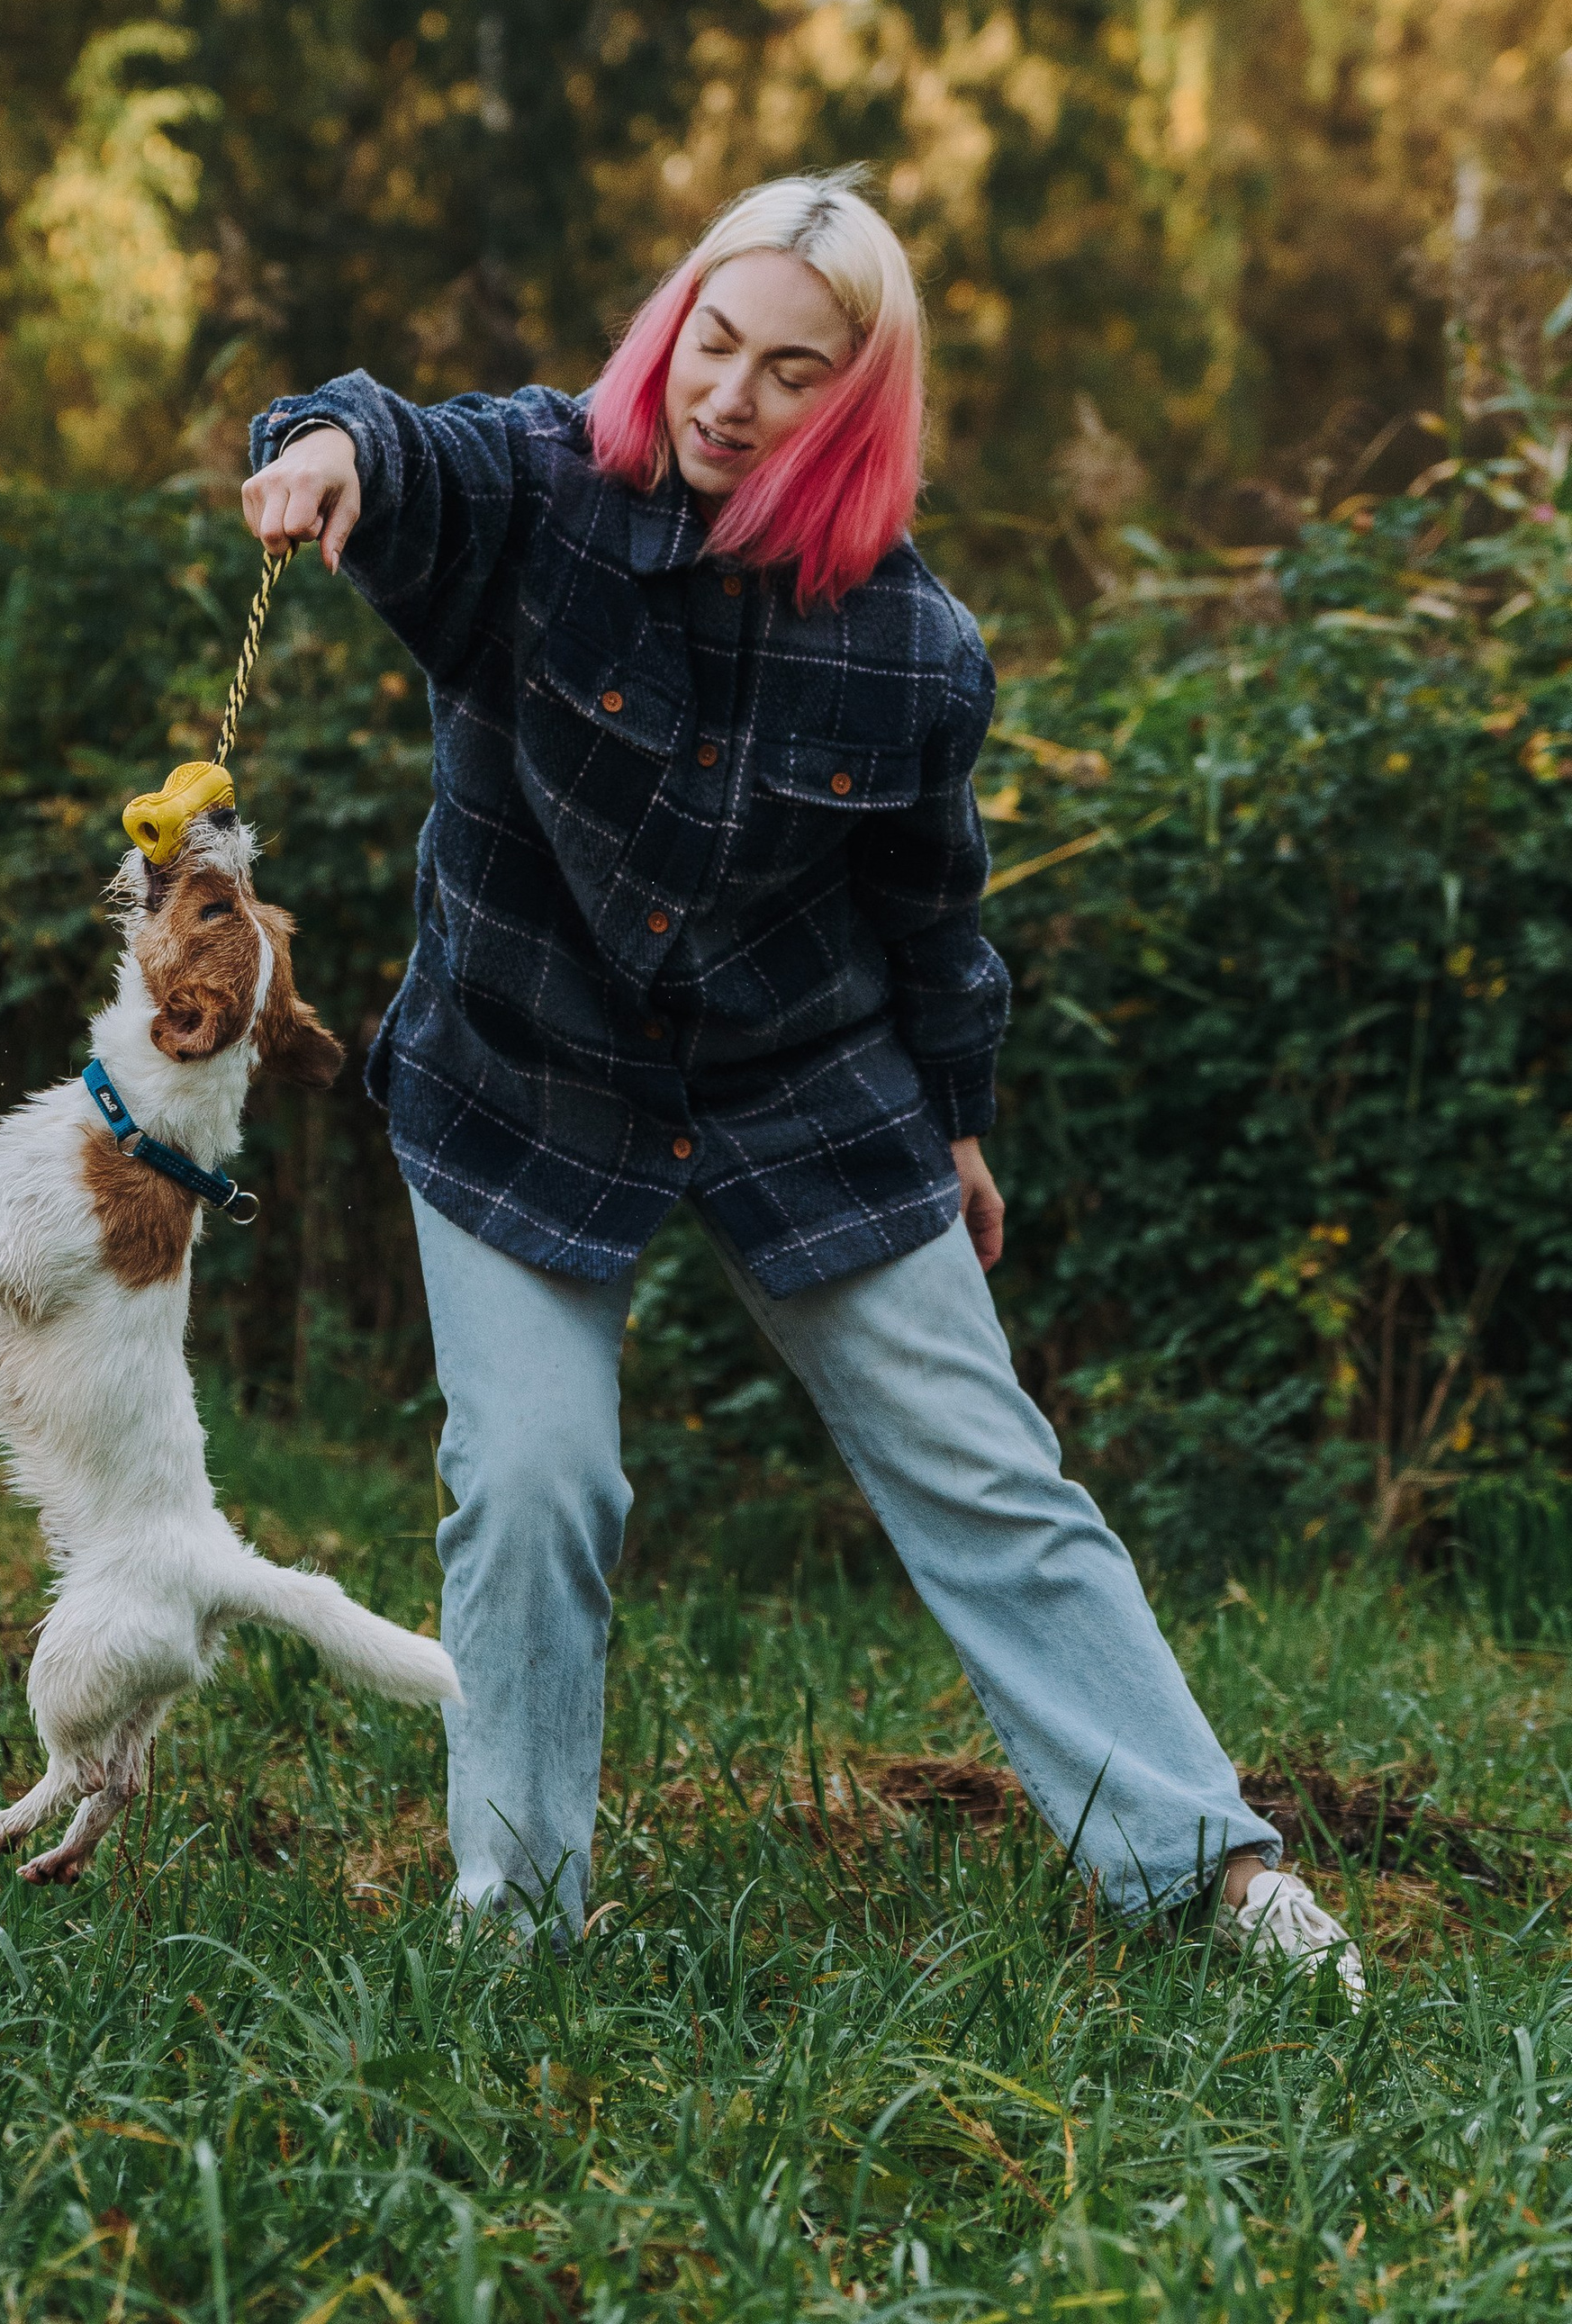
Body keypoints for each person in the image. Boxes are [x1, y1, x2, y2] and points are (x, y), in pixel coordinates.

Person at [242, 170, 1364, 1995]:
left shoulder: (912, 645)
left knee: (991, 1472)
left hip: (802, 1088)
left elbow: (932, 911)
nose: (725, 395)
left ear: (851, 400)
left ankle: (1211, 1865)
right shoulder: (534, 494)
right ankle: (514, 1921)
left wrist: (958, 1115)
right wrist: (320, 455)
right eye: (710, 338)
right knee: (531, 1479)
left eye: (788, 368)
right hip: (523, 1072)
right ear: (667, 322)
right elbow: (391, 434)